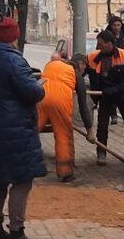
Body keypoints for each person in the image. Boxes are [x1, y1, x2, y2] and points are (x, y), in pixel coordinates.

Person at [0, 16, 46, 239]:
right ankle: (17, 233)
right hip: (15, 131)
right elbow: (31, 92)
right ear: (13, 36)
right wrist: (39, 86)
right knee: (22, 180)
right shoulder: (13, 60)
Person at [38, 51, 95, 182]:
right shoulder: (75, 72)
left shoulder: (51, 64)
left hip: (40, 99)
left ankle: (27, 166)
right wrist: (90, 130)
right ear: (80, 64)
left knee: (31, 133)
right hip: (59, 102)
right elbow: (83, 105)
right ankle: (66, 173)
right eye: (84, 68)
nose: (84, 71)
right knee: (63, 136)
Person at [86, 30, 124, 164]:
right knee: (102, 125)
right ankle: (101, 152)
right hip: (104, 95)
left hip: (121, 95)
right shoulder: (93, 57)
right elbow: (80, 70)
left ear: (109, 44)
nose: (98, 47)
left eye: (100, 44)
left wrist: (114, 90)